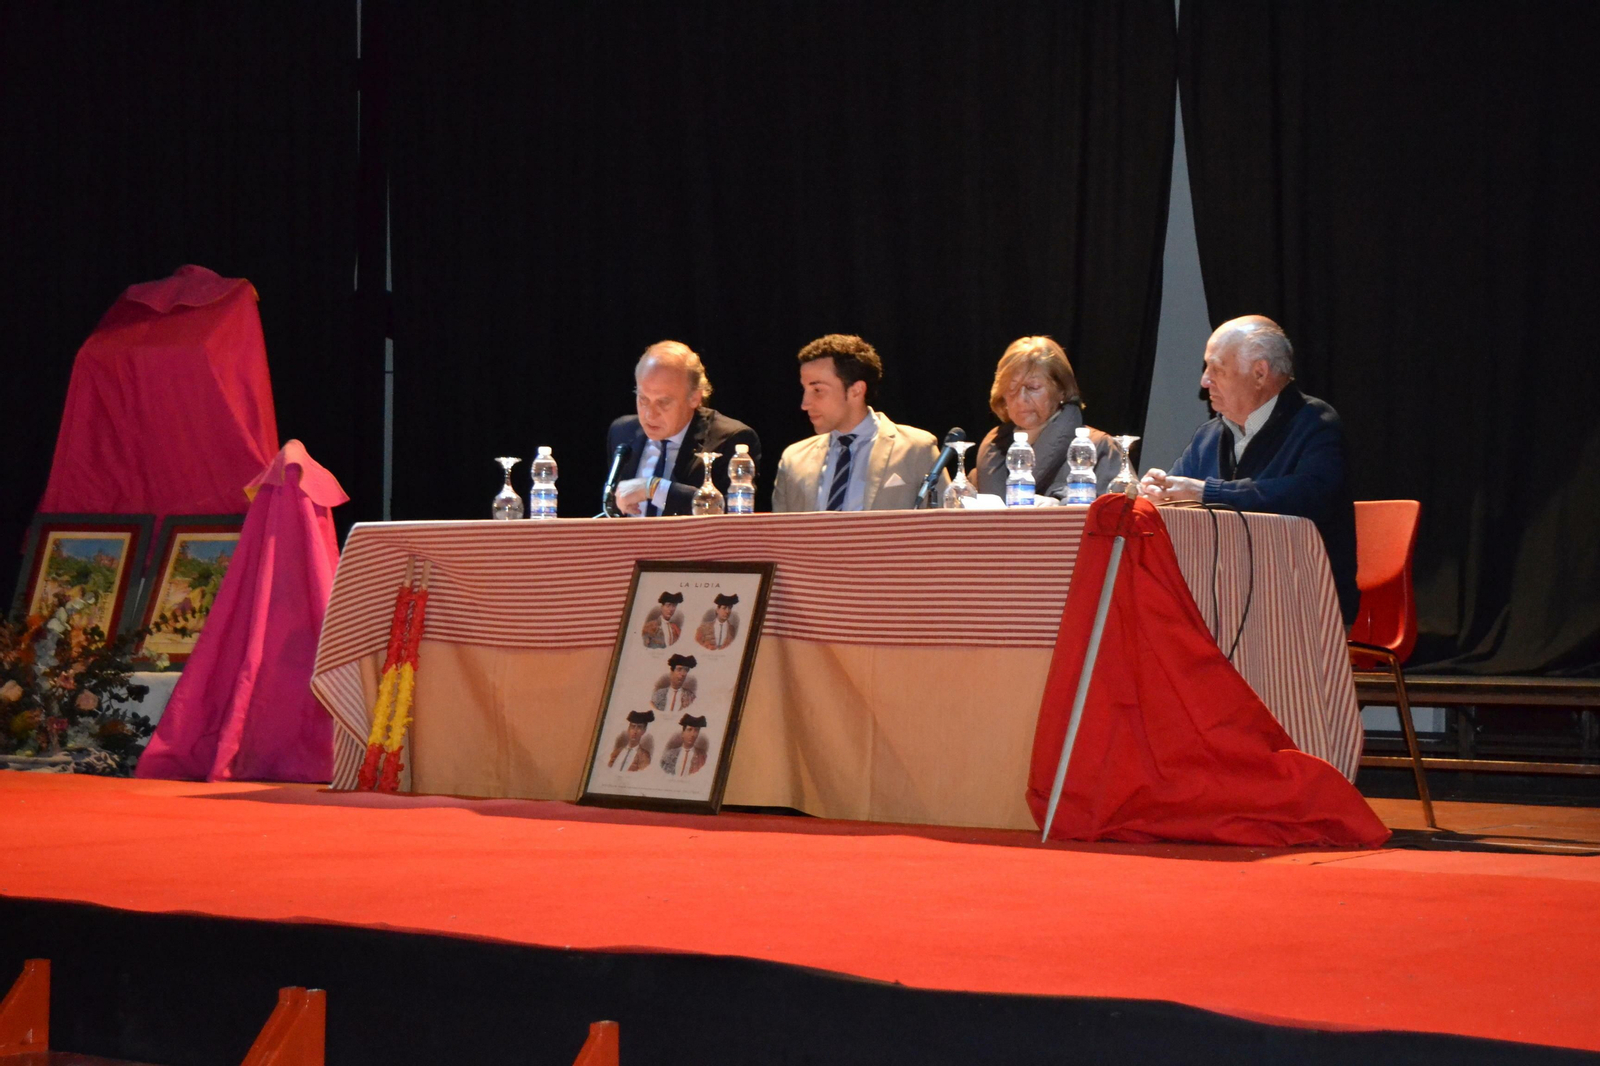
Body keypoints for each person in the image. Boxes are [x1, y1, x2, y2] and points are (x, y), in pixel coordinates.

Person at [1140, 315, 1359, 623]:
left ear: (1259, 374)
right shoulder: (1208, 436)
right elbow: (1179, 495)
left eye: (1217, 368)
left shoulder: (1315, 423)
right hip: (1220, 597)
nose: (1204, 381)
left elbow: (1307, 496)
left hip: (1299, 598)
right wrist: (1157, 493)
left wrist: (1207, 492)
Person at [772, 334, 945, 511]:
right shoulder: (794, 459)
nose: (805, 404)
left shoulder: (915, 449)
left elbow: (942, 527)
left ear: (856, 390)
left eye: (817, 390)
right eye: (804, 390)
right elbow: (779, 534)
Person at [606, 341, 761, 516]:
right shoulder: (622, 432)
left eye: (663, 402)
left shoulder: (730, 438)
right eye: (643, 399)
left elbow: (731, 515)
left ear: (694, 398)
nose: (649, 415)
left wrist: (654, 488)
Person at [973, 336, 1121, 501]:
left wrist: (1059, 507)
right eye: (1011, 388)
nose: (1021, 399)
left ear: (1062, 391)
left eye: (1033, 387)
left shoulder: (1100, 447)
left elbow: (1115, 517)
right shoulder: (992, 451)